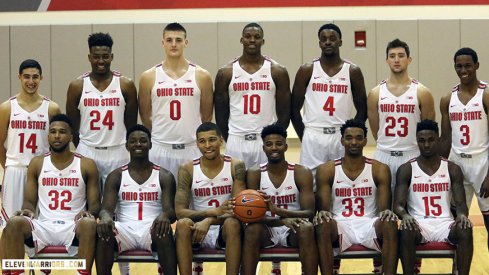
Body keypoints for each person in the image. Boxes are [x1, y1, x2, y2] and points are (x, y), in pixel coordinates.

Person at [0, 114, 100, 275]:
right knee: (13, 223)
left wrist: (91, 213)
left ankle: (81, 273)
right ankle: (17, 272)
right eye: (53, 132)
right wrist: (27, 210)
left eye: (62, 132)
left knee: (89, 223)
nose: (57, 136)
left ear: (71, 136)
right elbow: (29, 202)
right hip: (44, 225)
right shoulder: (37, 163)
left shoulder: (86, 164)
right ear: (48, 136)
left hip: (73, 225)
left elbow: (95, 203)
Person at [314, 119, 398, 275]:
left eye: (359, 138)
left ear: (365, 141)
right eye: (349, 138)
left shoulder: (379, 169)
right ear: (342, 140)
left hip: (369, 224)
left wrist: (387, 214)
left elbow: (384, 209)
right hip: (340, 224)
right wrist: (323, 214)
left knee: (390, 222)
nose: (354, 142)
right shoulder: (327, 169)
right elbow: (324, 209)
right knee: (323, 223)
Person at [96, 124, 177, 275]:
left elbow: (171, 211)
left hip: (152, 228)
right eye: (133, 141)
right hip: (125, 229)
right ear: (127, 146)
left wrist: (165, 216)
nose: (138, 144)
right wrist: (105, 217)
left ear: (150, 144)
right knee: (104, 230)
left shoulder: (164, 176)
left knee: (164, 230)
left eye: (143, 140)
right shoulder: (116, 176)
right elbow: (106, 209)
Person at [394, 119, 473, 275]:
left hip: (445, 224)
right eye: (422, 141)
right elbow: (398, 205)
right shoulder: (406, 169)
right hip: (418, 224)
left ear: (438, 140)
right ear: (416, 141)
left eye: (431, 140)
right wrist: (404, 215)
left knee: (466, 228)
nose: (427, 145)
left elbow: (461, 203)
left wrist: (462, 215)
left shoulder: (452, 168)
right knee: (405, 230)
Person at [139, 22, 213, 178]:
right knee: (161, 200)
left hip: (191, 147)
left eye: (178, 40)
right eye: (169, 40)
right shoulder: (148, 76)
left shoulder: (202, 75)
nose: (174, 44)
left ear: (186, 43)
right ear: (162, 43)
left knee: (190, 200)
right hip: (160, 148)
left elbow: (206, 116)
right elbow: (145, 115)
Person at [291, 23, 367, 176]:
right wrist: (304, 135)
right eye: (323, 39)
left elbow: (363, 109)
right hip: (314, 133)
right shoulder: (307, 69)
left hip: (340, 135)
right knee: (309, 184)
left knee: (339, 183)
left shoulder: (352, 71)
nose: (327, 42)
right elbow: (293, 109)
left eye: (332, 38)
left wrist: (349, 134)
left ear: (340, 42)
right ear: (319, 43)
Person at [242, 123, 318, 275]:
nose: (274, 148)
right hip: (266, 227)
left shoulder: (301, 172)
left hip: (293, 228)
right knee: (251, 229)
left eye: (278, 144)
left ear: (286, 146)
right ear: (263, 148)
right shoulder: (254, 173)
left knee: (307, 228)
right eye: (269, 144)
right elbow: (250, 215)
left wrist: (278, 211)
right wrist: (281, 220)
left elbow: (310, 212)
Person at [66, 32, 138, 190]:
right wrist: (84, 146)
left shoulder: (126, 85)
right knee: (87, 203)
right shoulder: (77, 86)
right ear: (89, 57)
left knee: (117, 206)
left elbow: (131, 125)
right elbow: (72, 127)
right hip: (87, 151)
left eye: (105, 56)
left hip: (117, 151)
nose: (100, 61)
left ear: (112, 56)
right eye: (96, 56)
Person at [215, 22, 291, 169]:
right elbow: (220, 115)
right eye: (248, 36)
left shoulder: (277, 71)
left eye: (257, 37)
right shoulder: (226, 72)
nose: (252, 40)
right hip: (236, 139)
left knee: (264, 188)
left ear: (262, 41)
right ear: (241, 39)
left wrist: (272, 138)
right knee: (237, 188)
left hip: (264, 140)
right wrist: (230, 138)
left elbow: (284, 115)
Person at [175, 122, 246, 275]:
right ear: (197, 144)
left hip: (224, 227)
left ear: (221, 140)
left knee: (233, 223)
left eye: (212, 139)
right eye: (202, 141)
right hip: (197, 229)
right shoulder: (187, 169)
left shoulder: (236, 165)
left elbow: (238, 209)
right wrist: (209, 214)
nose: (207, 145)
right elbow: (180, 212)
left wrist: (210, 220)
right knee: (182, 224)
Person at [368, 38, 435, 190]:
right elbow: (375, 130)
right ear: (387, 60)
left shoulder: (422, 92)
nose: (396, 60)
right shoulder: (375, 93)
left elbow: (429, 129)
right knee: (383, 207)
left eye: (401, 55)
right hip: (384, 154)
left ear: (409, 60)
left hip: (412, 154)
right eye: (392, 56)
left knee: (413, 206)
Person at [0, 59, 61, 227]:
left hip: (42, 172)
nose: (31, 81)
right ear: (19, 77)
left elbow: (58, 143)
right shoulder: (7, 107)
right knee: (9, 224)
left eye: (35, 77)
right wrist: (9, 166)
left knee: (39, 224)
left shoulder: (52, 108)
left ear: (41, 78)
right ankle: (9, 255)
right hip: (15, 170)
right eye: (26, 77)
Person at [440, 47, 489, 250]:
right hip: (457, 162)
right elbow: (444, 140)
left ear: (477, 65)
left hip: (482, 162)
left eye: (468, 65)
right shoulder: (447, 99)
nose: (463, 70)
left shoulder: (485, 95)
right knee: (456, 224)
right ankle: (458, 268)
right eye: (459, 66)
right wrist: (440, 173)